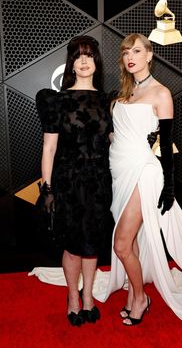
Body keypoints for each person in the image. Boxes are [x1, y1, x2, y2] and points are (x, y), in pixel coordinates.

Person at [99, 32, 182, 326]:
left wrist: (169, 185)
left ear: (150, 55)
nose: (130, 57)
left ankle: (139, 298)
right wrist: (114, 136)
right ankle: (133, 294)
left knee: (121, 244)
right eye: (126, 53)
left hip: (143, 171)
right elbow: (121, 131)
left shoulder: (161, 93)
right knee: (130, 240)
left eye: (137, 51)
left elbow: (167, 143)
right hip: (119, 171)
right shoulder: (124, 92)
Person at [35, 35, 114, 326]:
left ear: (96, 62)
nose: (84, 61)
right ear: (71, 62)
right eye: (78, 56)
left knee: (92, 244)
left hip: (99, 181)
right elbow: (49, 148)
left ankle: (89, 296)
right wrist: (47, 189)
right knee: (72, 245)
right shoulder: (57, 100)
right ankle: (72, 297)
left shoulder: (108, 100)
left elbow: (114, 140)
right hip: (68, 181)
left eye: (89, 55)